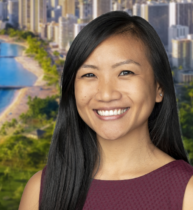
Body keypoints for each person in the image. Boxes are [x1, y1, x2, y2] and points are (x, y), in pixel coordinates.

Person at [18, 11, 193, 210]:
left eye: (125, 72)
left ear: (159, 88)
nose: (106, 94)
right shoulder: (41, 189)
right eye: (90, 74)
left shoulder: (187, 192)